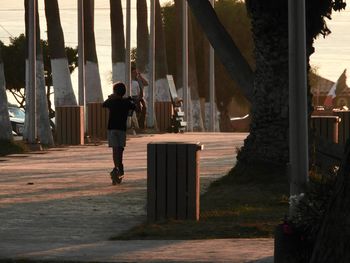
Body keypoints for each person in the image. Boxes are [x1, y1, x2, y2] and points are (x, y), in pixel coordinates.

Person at [103, 82, 135, 185]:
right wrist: (131, 100)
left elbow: (103, 104)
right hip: (121, 130)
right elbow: (136, 108)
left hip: (112, 129)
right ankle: (119, 169)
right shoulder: (126, 102)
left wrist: (110, 97)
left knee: (115, 150)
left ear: (115, 92)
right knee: (120, 150)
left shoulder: (111, 102)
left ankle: (117, 169)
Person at [131, 65, 148, 129]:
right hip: (134, 98)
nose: (136, 74)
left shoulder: (138, 79)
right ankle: (137, 126)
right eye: (134, 72)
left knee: (143, 110)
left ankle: (141, 125)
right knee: (136, 111)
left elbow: (146, 83)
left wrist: (140, 76)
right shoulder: (130, 81)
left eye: (136, 72)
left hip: (140, 98)